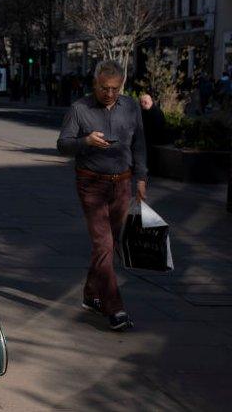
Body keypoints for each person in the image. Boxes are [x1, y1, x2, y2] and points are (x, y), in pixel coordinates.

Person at [57, 60, 147, 332]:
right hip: (91, 183)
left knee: (113, 243)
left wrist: (142, 177)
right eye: (104, 88)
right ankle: (114, 307)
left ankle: (90, 295)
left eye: (115, 89)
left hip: (122, 183)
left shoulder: (130, 107)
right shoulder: (79, 109)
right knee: (104, 244)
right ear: (94, 84)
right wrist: (85, 142)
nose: (109, 93)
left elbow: (140, 143)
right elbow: (62, 145)